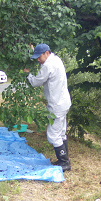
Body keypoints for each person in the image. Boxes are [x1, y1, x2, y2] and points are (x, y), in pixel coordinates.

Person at [23, 43, 72, 172]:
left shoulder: (48, 66)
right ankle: (64, 160)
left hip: (56, 105)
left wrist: (28, 74)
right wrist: (35, 51)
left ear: (46, 53)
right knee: (61, 132)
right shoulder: (56, 60)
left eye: (39, 56)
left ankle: (64, 163)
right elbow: (44, 66)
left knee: (53, 134)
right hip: (64, 102)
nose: (38, 60)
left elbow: (35, 82)